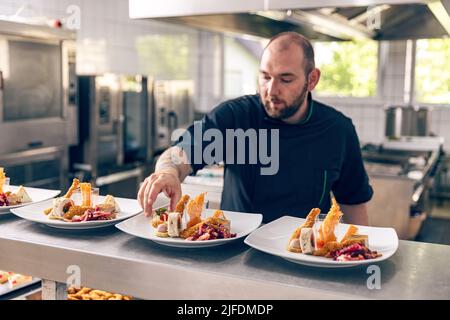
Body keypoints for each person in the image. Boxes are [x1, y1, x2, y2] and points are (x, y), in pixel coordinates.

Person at [138, 31, 373, 225]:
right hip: (237, 255)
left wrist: (357, 259)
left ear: (312, 80)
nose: (271, 90)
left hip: (307, 256)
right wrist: (168, 173)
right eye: (265, 77)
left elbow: (353, 203)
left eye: (285, 79)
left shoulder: (338, 130)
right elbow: (180, 153)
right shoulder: (236, 117)